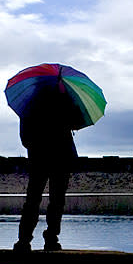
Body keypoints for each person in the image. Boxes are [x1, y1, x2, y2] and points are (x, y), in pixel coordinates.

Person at [13, 87, 79, 252]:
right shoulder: (66, 100)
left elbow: (25, 138)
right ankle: (49, 238)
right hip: (58, 157)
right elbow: (77, 122)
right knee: (55, 201)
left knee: (35, 201)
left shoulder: (30, 105)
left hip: (41, 158)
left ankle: (25, 240)